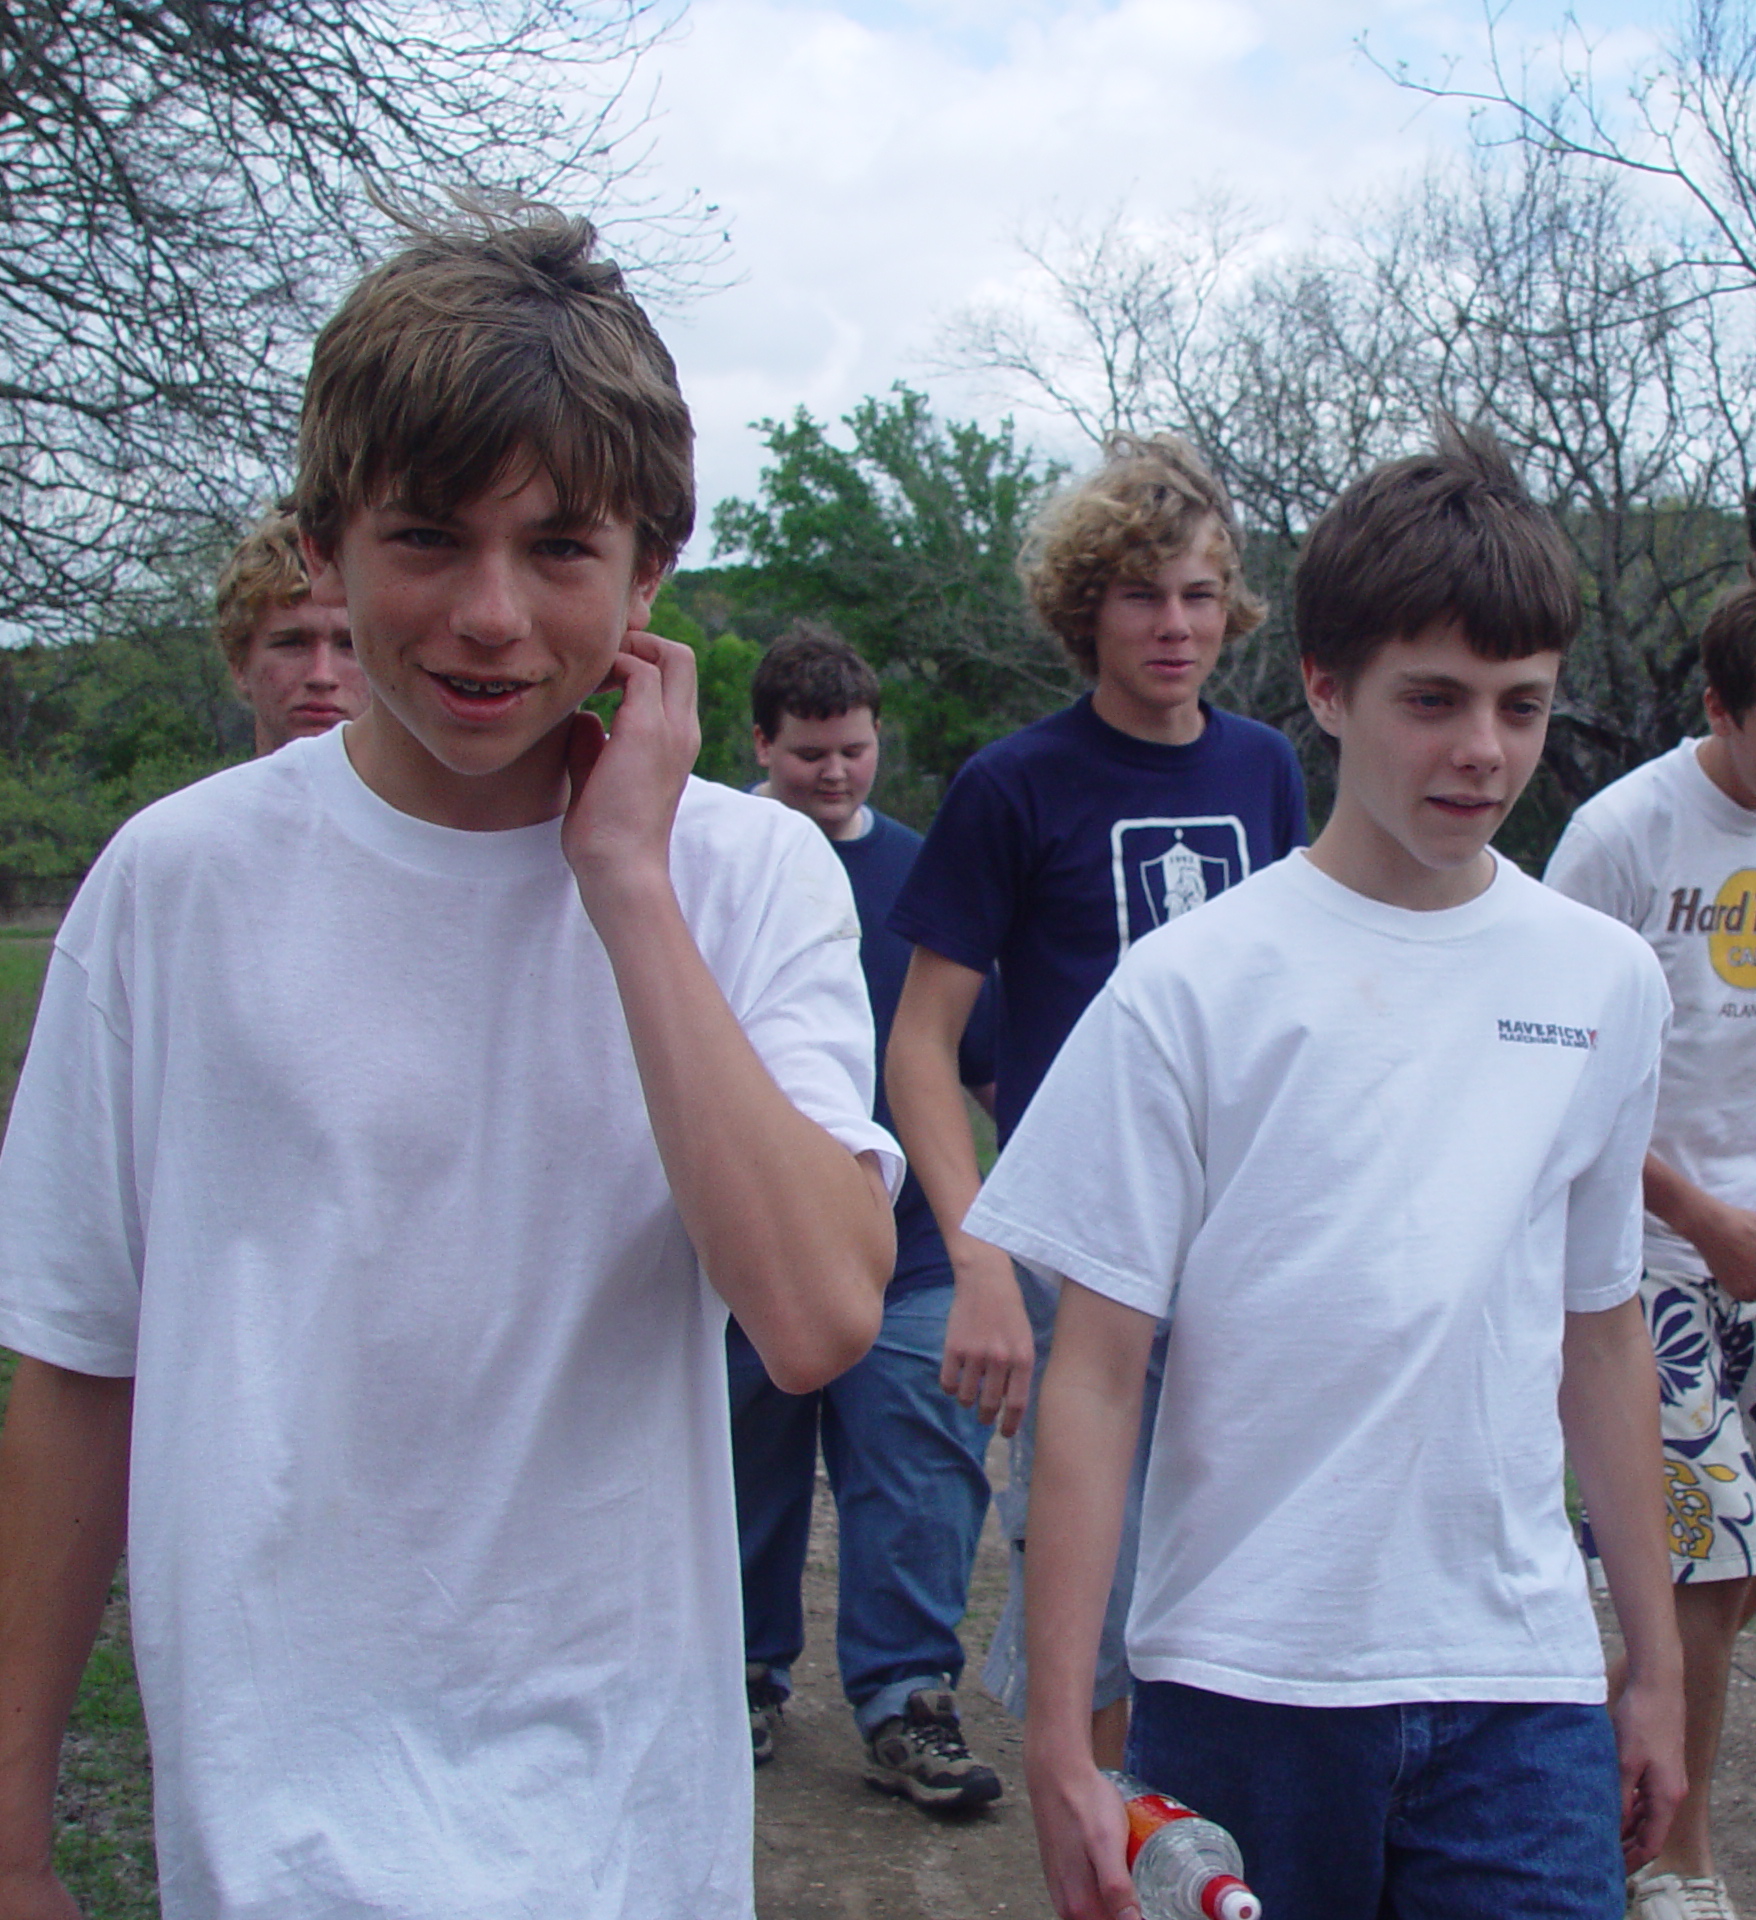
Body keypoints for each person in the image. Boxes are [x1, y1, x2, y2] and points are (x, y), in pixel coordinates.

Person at [0, 206, 900, 1919]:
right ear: (327, 544)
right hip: (276, 1833)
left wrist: (624, 879)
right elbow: (76, 1372)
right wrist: (12, 1838)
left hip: (625, 1829)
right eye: (426, 537)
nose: (490, 618)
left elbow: (815, 1317)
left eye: (561, 548)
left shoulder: (742, 872)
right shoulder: (173, 886)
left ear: (650, 576)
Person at [974, 420, 1686, 1920]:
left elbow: (1602, 1326)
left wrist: (1656, 1667)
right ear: (1323, 687)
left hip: (1518, 1681)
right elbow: (1097, 1372)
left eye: (1520, 704)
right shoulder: (1192, 987)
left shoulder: (1608, 981)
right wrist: (1057, 1735)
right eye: (1430, 700)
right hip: (1243, 1673)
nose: (1480, 749)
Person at [881, 433, 1304, 1768]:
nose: (1174, 626)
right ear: (1087, 609)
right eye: (1140, 596)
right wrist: (981, 1256)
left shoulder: (1267, 771)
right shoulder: (1013, 785)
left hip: (1245, 1228)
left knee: (1243, 1572)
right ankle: (1109, 1850)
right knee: (1098, 1589)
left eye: (1196, 594)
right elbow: (920, 1043)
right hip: (1081, 1241)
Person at [1544, 554, 1756, 1920]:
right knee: (1715, 1555)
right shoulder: (1621, 835)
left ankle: (1602, 1671)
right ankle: (1675, 1866)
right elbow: (1555, 1075)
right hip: (1641, 1244)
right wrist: (1699, 1216)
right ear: (1718, 710)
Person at [729, 621, 1004, 1809]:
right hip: (749, 1241)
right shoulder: (716, 860)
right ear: (760, 745)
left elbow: (979, 1061)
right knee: (743, 1472)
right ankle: (736, 1678)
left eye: (852, 750)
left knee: (919, 1474)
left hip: (916, 1249)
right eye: (808, 755)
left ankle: (907, 1703)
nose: (834, 774)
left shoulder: (923, 872)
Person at [213, 503, 370, 754]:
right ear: (239, 663)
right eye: (293, 643)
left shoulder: (443, 793)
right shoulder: (207, 796)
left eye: (349, 645)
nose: (322, 675)